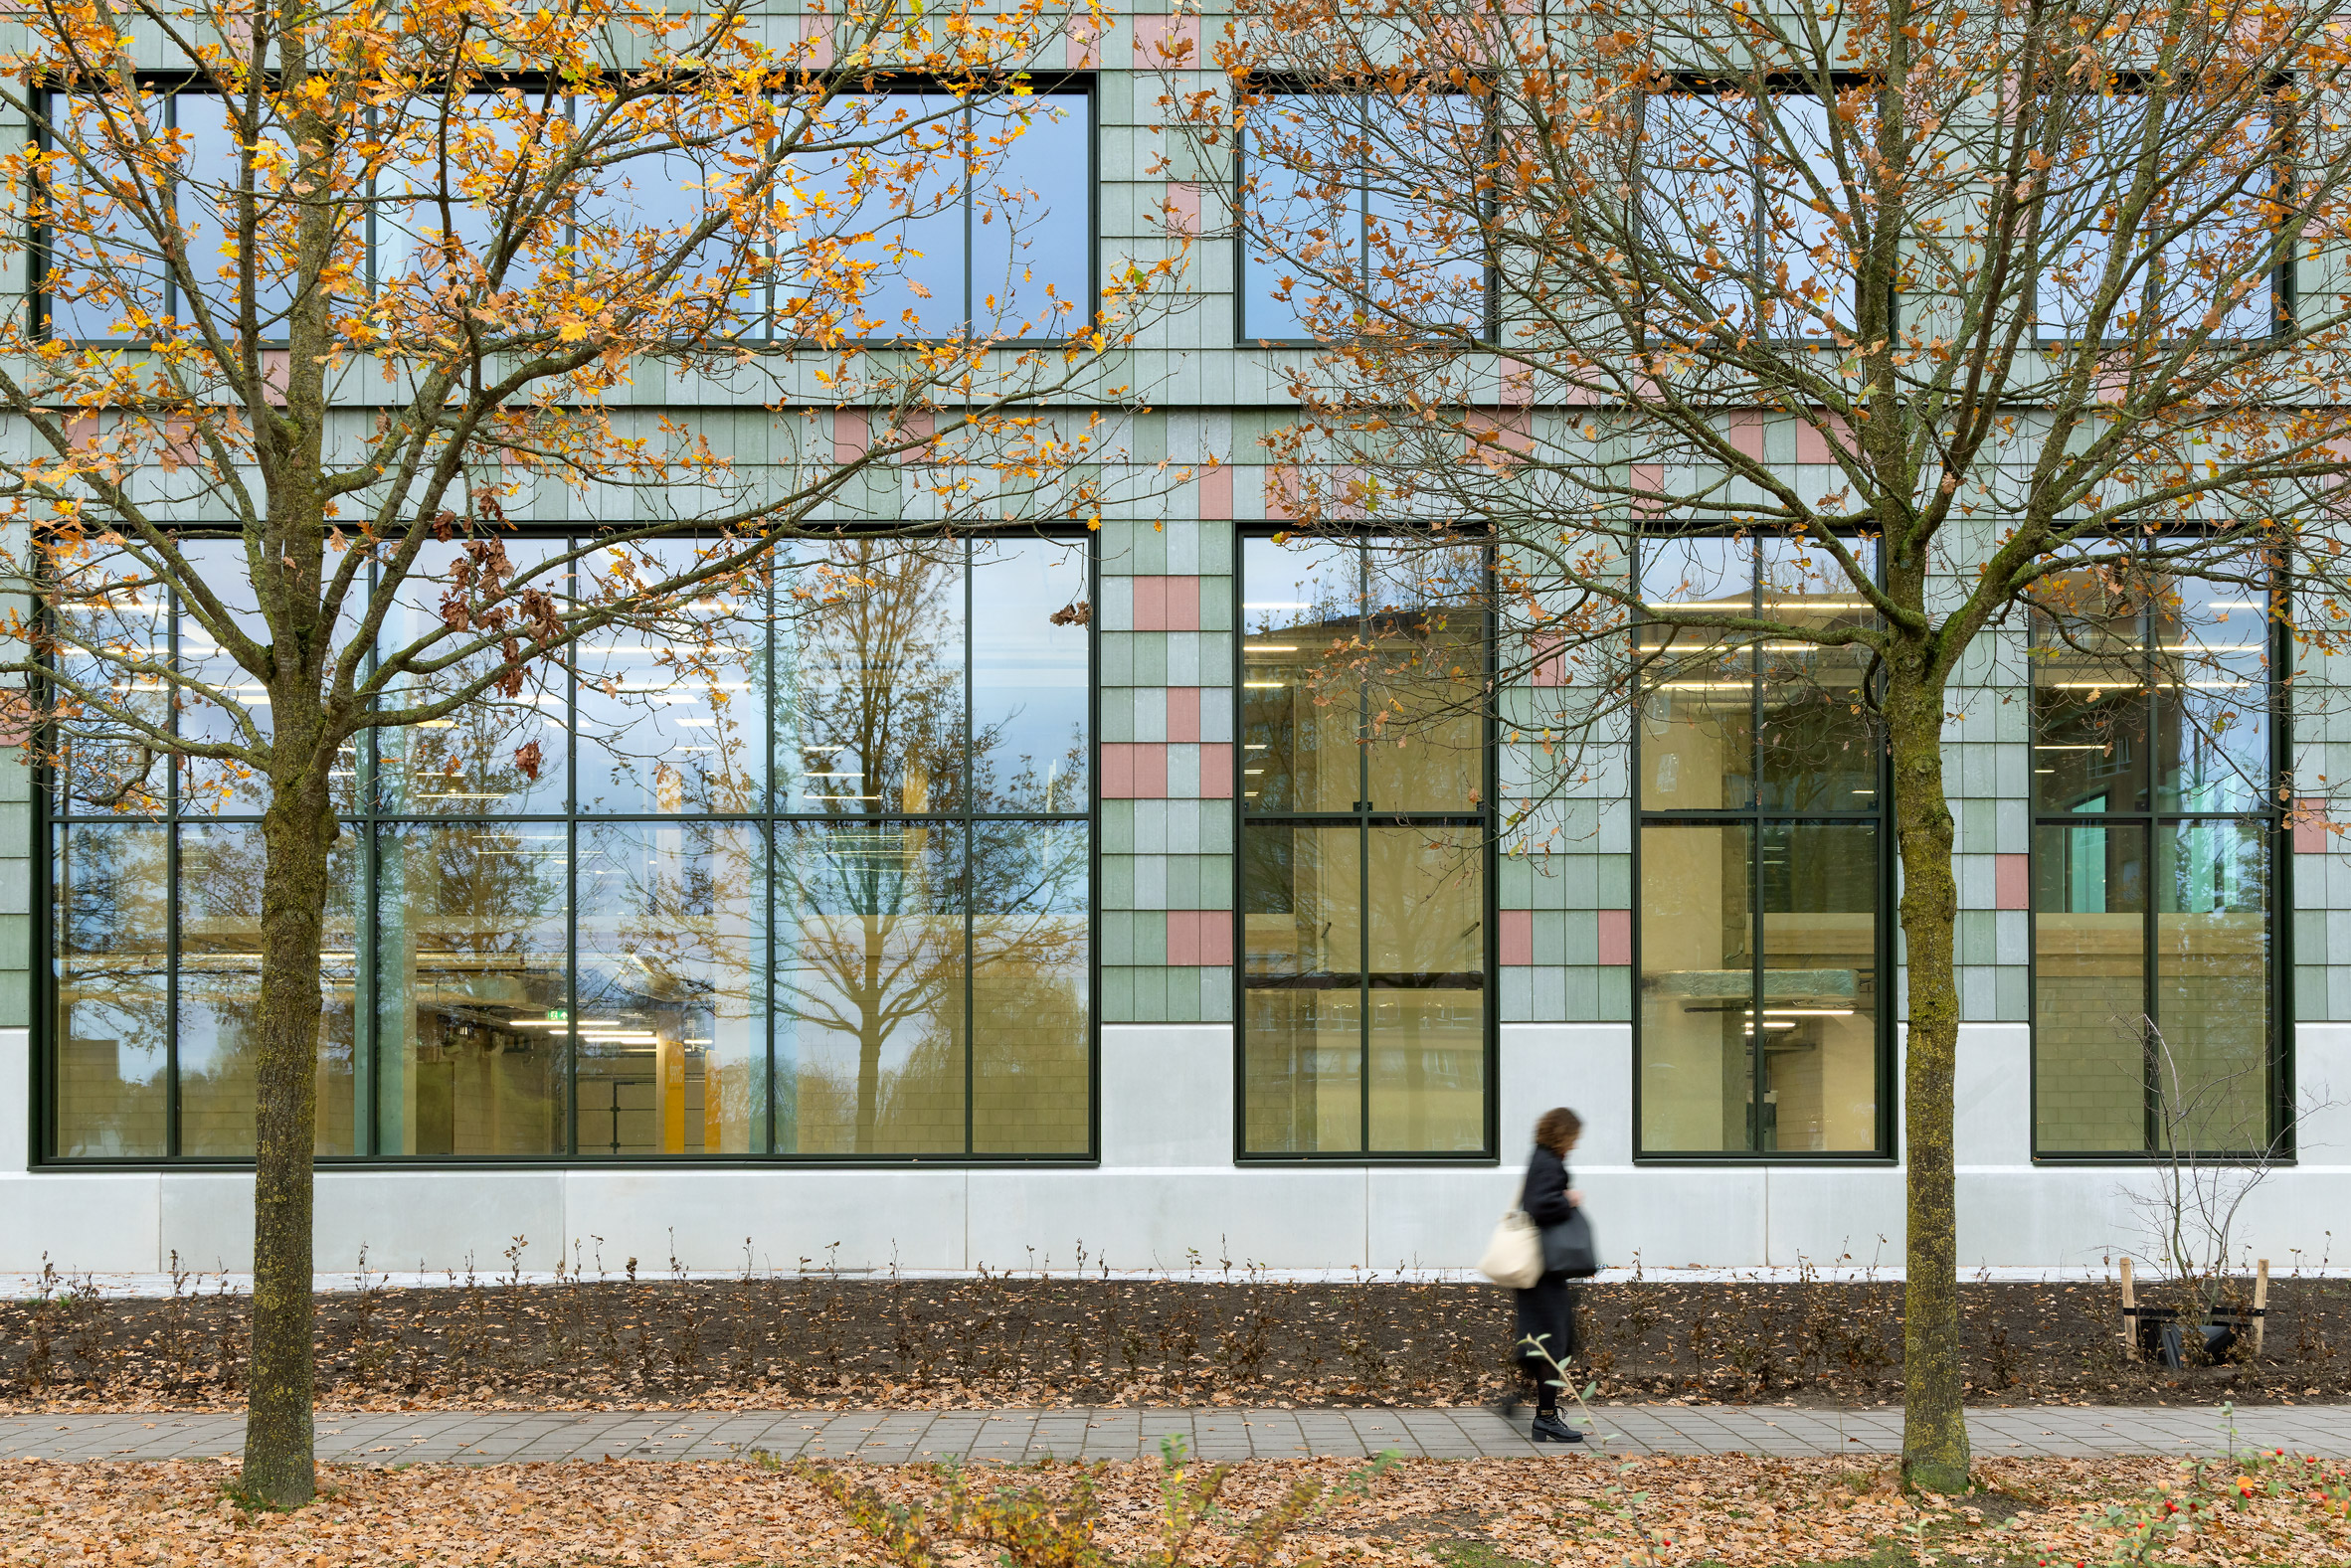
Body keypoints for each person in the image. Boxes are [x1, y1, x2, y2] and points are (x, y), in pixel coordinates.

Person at [1501, 1106, 1585, 1443]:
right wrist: (1569, 1200)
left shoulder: (1541, 1157)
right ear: (1563, 1135)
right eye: (1574, 1138)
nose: (1575, 1145)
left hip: (1542, 1268)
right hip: (1544, 1269)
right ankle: (1545, 1418)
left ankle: (1518, 1400)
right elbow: (1539, 1205)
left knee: (1545, 1341)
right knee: (1553, 1345)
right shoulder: (1548, 1162)